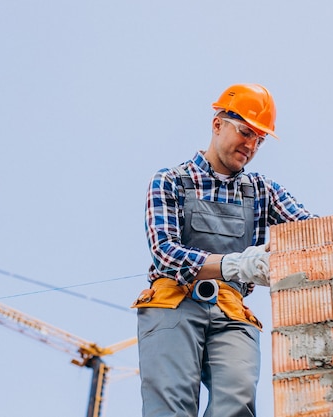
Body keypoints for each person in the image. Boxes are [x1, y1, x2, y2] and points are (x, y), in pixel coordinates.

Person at [133, 83, 317, 417]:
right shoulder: (171, 180)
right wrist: (233, 264)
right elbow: (165, 253)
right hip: (174, 302)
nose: (251, 146)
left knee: (237, 403)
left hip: (231, 310)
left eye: (259, 140)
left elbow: (309, 228)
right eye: (246, 132)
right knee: (171, 408)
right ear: (218, 124)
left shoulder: (262, 191)